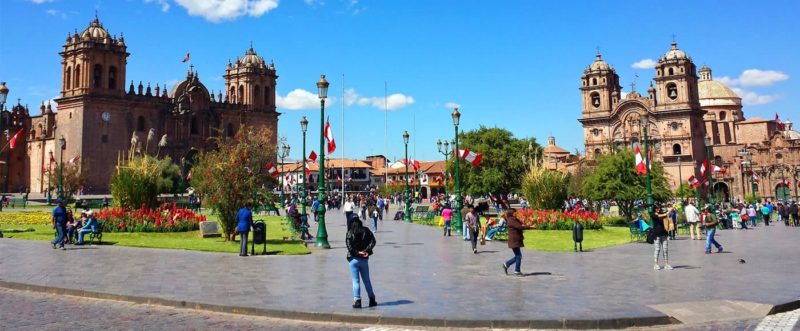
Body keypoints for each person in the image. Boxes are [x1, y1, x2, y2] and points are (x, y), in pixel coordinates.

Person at [345, 215, 377, 309]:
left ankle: (357, 301)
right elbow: (373, 241)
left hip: (353, 259)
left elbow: (349, 247)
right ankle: (372, 299)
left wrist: (357, 252)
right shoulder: (366, 230)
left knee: (356, 281)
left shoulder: (349, 233)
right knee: (367, 280)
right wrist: (366, 251)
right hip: (364, 259)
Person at [501, 208, 526, 276]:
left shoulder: (513, 219)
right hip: (514, 240)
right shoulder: (511, 220)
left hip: (515, 240)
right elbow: (520, 227)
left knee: (518, 256)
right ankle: (517, 270)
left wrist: (522, 220)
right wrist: (530, 227)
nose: (517, 213)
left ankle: (506, 264)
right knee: (518, 256)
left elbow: (520, 224)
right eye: (515, 212)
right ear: (512, 213)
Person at [653, 206, 673, 270]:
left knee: (665, 249)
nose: (658, 209)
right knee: (657, 249)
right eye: (656, 208)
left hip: (664, 233)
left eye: (659, 208)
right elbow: (661, 215)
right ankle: (656, 264)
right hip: (657, 234)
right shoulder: (653, 215)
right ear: (654, 209)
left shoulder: (662, 214)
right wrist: (668, 212)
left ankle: (666, 264)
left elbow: (666, 216)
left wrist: (670, 211)